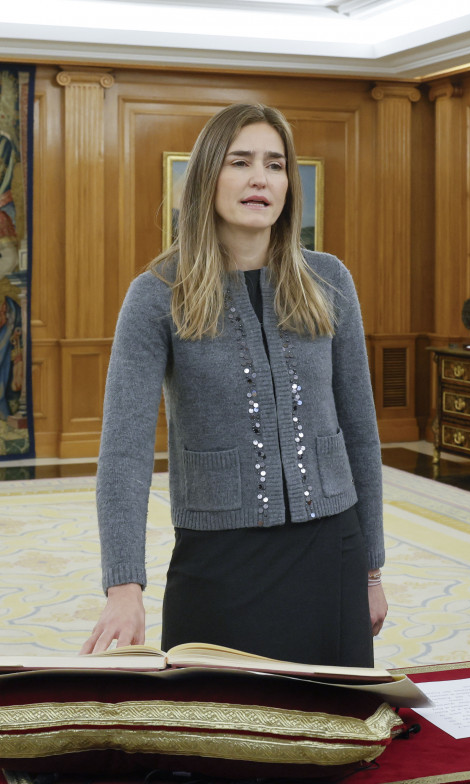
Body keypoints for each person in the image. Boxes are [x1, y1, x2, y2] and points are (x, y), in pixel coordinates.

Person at [82, 104, 387, 667]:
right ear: (206, 178)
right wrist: (123, 585)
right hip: (218, 557)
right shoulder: (156, 294)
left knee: (336, 736)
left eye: (275, 165)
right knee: (212, 736)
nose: (259, 179)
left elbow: (361, 433)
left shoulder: (329, 280)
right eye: (240, 161)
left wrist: (370, 569)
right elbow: (123, 451)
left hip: (330, 551)